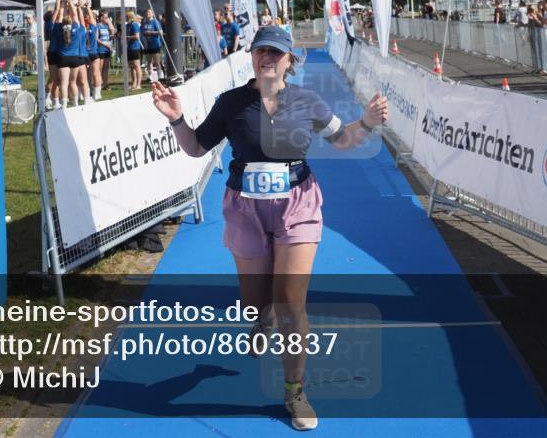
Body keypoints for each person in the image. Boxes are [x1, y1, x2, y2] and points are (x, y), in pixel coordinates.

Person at [150, 25, 388, 430]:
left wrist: (364, 123)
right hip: (245, 209)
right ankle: (260, 319)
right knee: (256, 302)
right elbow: (194, 148)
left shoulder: (308, 101)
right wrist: (176, 119)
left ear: (290, 61)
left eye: (276, 53)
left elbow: (343, 139)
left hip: (298, 204)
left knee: (291, 304)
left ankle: (294, 391)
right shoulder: (231, 103)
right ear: (252, 57)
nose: (267, 58)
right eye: (261, 51)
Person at [141, 8, 164, 82]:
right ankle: (150, 76)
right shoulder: (144, 23)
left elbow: (160, 32)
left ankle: (159, 76)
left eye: (149, 12)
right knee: (149, 61)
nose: (147, 14)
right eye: (147, 12)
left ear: (152, 14)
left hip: (155, 44)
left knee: (157, 62)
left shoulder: (155, 22)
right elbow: (142, 32)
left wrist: (150, 33)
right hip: (147, 45)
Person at [125, 10, 144, 90]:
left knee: (137, 66)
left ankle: (138, 84)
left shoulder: (135, 25)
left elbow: (137, 36)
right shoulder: (127, 25)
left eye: (126, 16)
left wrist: (127, 37)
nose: (125, 18)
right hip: (129, 47)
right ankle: (134, 83)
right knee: (132, 66)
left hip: (135, 47)